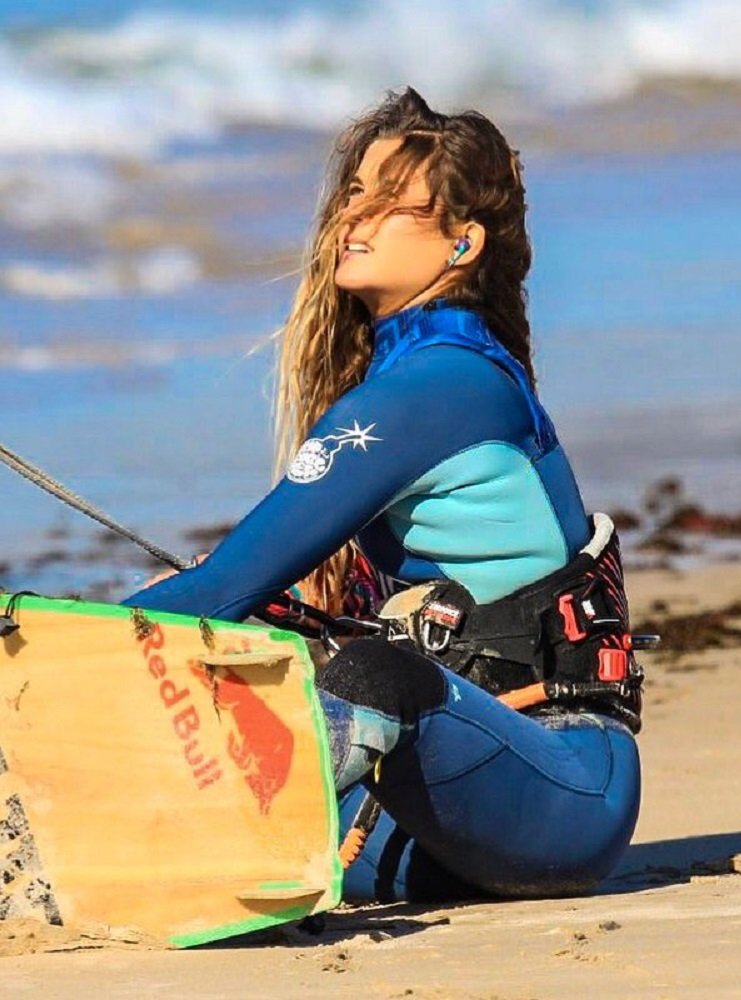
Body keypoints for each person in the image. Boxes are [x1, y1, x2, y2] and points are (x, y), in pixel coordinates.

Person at [123, 88, 642, 902]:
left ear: (461, 244)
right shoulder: (409, 380)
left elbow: (225, 585)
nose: (353, 218)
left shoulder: (443, 385)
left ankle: (194, 837)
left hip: (563, 784)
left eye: (392, 203)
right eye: (355, 193)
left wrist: (55, 655)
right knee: (254, 641)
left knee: (363, 670)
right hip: (447, 799)